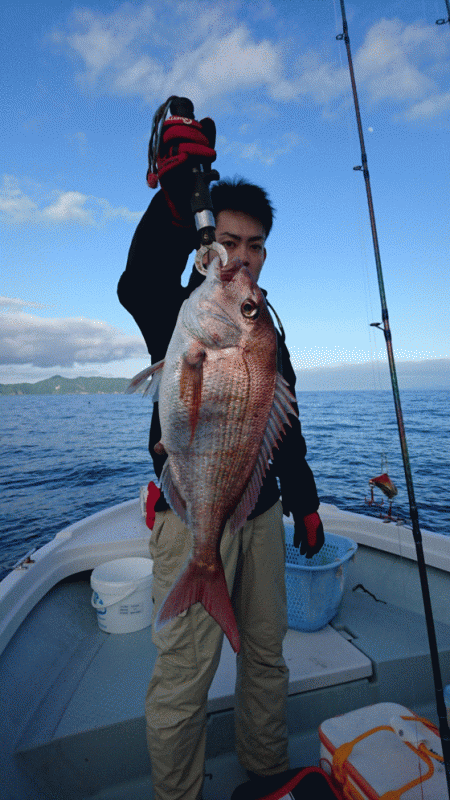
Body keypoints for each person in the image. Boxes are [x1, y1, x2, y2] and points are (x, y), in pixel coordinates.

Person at [117, 111, 324, 800]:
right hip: (196, 513)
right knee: (186, 670)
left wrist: (307, 498)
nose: (241, 256)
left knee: (265, 653)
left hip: (259, 510)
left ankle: (266, 770)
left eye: (255, 245)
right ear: (208, 245)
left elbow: (280, 422)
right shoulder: (183, 310)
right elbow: (137, 279)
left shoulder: (261, 325)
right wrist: (176, 208)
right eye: (228, 240)